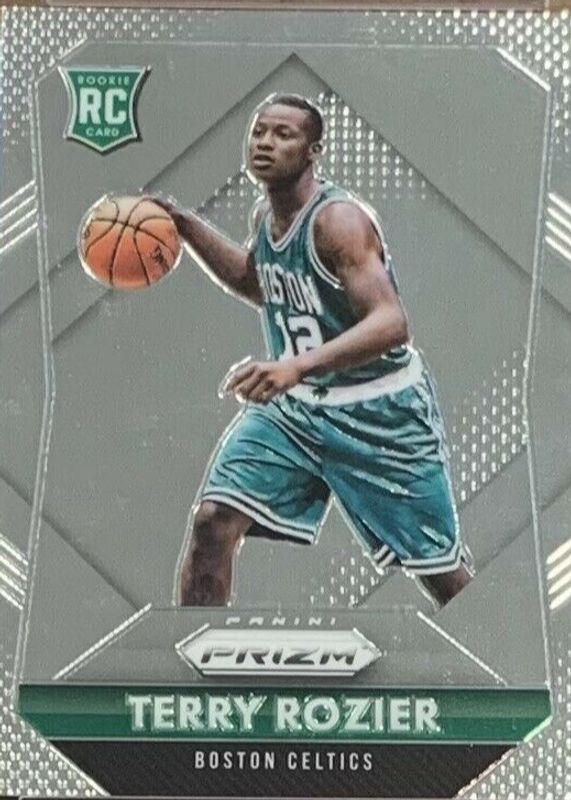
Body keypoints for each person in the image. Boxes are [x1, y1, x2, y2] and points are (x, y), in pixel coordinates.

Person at [161, 93, 472, 609]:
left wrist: (296, 366)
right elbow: (259, 282)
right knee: (213, 521)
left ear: (313, 152)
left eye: (283, 134)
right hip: (297, 411)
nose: (265, 142)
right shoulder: (267, 216)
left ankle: (508, 653)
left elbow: (391, 323)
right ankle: (194, 648)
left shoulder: (338, 222)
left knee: (440, 572)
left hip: (379, 413)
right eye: (259, 131)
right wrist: (183, 223)